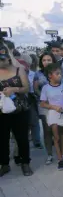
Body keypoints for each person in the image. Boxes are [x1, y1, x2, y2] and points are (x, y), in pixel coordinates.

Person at [0, 44, 33, 176]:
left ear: (8, 58)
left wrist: (14, 89)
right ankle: (4, 164)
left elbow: (26, 88)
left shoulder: (19, 70)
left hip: (20, 110)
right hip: (2, 112)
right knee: (2, 139)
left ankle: (25, 163)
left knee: (22, 138)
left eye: (3, 59)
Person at [34, 52, 56, 164]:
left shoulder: (58, 71)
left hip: (57, 104)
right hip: (43, 105)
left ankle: (62, 152)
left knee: (58, 129)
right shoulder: (38, 74)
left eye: (49, 60)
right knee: (47, 130)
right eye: (44, 60)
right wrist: (44, 98)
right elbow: (36, 89)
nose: (46, 62)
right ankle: (50, 154)